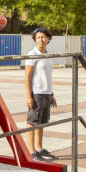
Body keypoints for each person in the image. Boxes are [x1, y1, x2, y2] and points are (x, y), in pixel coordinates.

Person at [24, 27, 58, 162]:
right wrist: (29, 96)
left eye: (43, 37)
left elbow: (47, 76)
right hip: (36, 93)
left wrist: (51, 94)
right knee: (32, 122)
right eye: (38, 38)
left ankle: (39, 149)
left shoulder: (48, 55)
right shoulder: (32, 54)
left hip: (46, 93)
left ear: (48, 39)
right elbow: (27, 77)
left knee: (42, 123)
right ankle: (31, 152)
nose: (41, 40)